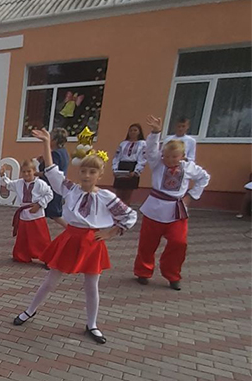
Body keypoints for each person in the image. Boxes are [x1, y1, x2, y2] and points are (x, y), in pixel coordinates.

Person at [13, 129, 137, 345]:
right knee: (50, 280)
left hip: (91, 242)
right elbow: (52, 172)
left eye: (92, 172)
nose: (87, 175)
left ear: (100, 174)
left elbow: (129, 215)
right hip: (70, 239)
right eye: (84, 171)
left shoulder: (107, 197)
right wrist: (46, 144)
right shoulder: (72, 189)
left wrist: (110, 232)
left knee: (92, 285)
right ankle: (30, 310)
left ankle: (92, 324)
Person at [134, 115, 211, 291]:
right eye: (167, 156)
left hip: (176, 209)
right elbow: (151, 151)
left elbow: (204, 177)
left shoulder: (188, 167)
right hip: (155, 208)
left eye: (174, 156)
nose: (169, 160)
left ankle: (172, 274)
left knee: (179, 243)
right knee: (147, 243)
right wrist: (155, 132)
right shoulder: (157, 164)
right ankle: (143, 271)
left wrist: (191, 195)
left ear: (182, 156)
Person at [0, 159, 53, 263]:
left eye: (29, 171)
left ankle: (48, 258)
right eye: (24, 171)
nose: (26, 174)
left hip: (36, 215)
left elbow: (49, 194)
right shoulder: (19, 183)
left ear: (34, 171)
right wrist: (3, 175)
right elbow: (8, 184)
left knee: (41, 239)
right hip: (24, 215)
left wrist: (39, 204)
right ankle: (22, 256)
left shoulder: (40, 184)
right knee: (23, 238)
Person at [111, 123, 147, 205]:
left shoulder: (142, 144)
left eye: (135, 130)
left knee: (127, 193)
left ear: (139, 132)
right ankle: (117, 210)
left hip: (132, 167)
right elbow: (117, 157)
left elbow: (142, 158)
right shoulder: (123, 144)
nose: (133, 132)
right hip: (122, 166)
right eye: (131, 130)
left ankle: (126, 211)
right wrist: (115, 168)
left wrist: (136, 171)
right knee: (119, 192)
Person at [41, 128, 70, 229]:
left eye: (51, 138)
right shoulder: (64, 152)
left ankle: (71, 229)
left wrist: (35, 173)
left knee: (54, 214)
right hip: (57, 186)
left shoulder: (55, 154)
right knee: (49, 213)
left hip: (51, 187)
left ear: (55, 140)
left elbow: (50, 172)